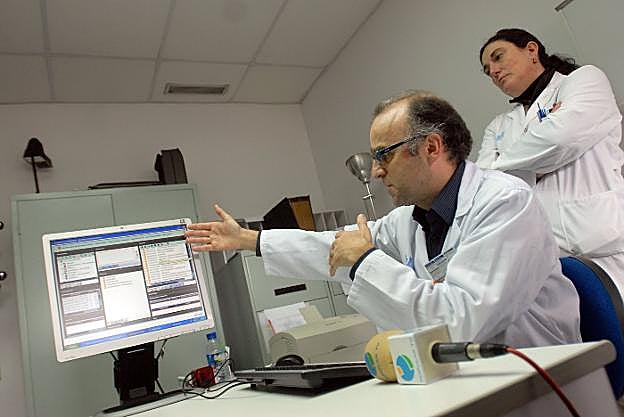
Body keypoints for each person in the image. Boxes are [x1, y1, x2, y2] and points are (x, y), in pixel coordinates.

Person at [187, 90, 581, 348]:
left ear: (431, 147)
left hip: (540, 385)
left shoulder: (504, 203)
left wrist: (364, 261)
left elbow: (461, 323)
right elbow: (334, 245)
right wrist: (250, 240)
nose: (376, 171)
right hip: (466, 382)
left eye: (383, 155)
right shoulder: (407, 220)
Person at [477, 28, 624, 297]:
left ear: (531, 50)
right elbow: (486, 188)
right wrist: (534, 164)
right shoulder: (498, 126)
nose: (494, 71)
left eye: (498, 57)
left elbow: (561, 139)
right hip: (545, 257)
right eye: (488, 71)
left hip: (602, 243)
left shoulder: (584, 80)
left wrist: (501, 170)